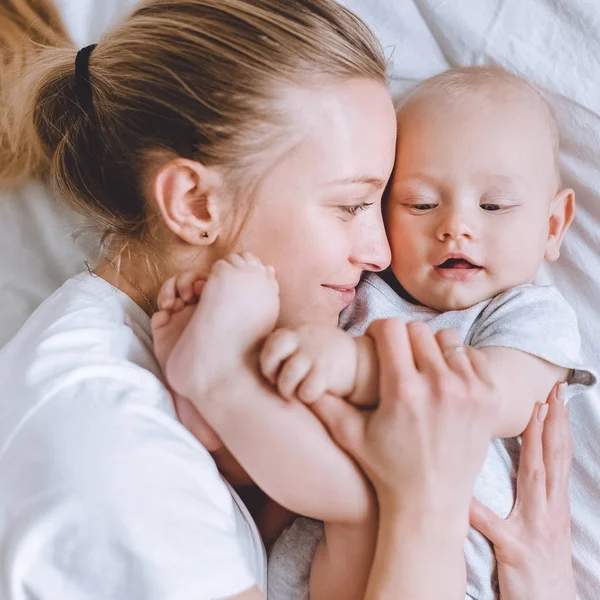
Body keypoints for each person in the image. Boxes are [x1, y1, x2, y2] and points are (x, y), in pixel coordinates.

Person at [0, 1, 577, 599]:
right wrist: (423, 506)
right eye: (351, 205)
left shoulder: (160, 357)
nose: (381, 256)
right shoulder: (109, 451)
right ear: (196, 205)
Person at [153, 68, 595, 597]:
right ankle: (212, 407)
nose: (456, 225)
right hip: (322, 564)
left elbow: (491, 394)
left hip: (463, 572)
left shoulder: (528, 314)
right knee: (335, 480)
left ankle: (217, 383)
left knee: (357, 494)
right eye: (421, 204)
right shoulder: (357, 299)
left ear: (552, 226)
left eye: (494, 206)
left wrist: (351, 364)